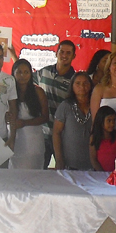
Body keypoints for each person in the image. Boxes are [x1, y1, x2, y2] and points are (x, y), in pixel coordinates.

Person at [35, 40, 77, 168]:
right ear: (56, 53)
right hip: (42, 134)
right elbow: (24, 79)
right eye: (62, 52)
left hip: (63, 136)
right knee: (39, 170)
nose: (64, 55)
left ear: (74, 56)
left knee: (64, 171)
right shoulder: (44, 72)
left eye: (68, 53)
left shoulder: (75, 80)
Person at [8, 59, 47, 169]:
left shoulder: (38, 91)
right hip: (15, 139)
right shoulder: (9, 91)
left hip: (34, 140)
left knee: (34, 172)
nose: (23, 76)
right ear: (13, 73)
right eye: (19, 72)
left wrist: (25, 123)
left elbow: (45, 117)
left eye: (26, 72)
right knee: (15, 172)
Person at [53, 72, 93, 170]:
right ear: (72, 86)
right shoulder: (65, 106)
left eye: (85, 83)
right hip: (70, 163)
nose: (82, 86)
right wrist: (59, 159)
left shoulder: (95, 104)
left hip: (93, 163)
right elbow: (56, 133)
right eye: (78, 83)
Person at [89, 106, 116, 172]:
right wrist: (103, 174)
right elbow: (93, 160)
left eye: (114, 120)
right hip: (100, 174)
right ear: (101, 121)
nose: (112, 123)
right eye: (109, 120)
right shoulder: (94, 137)